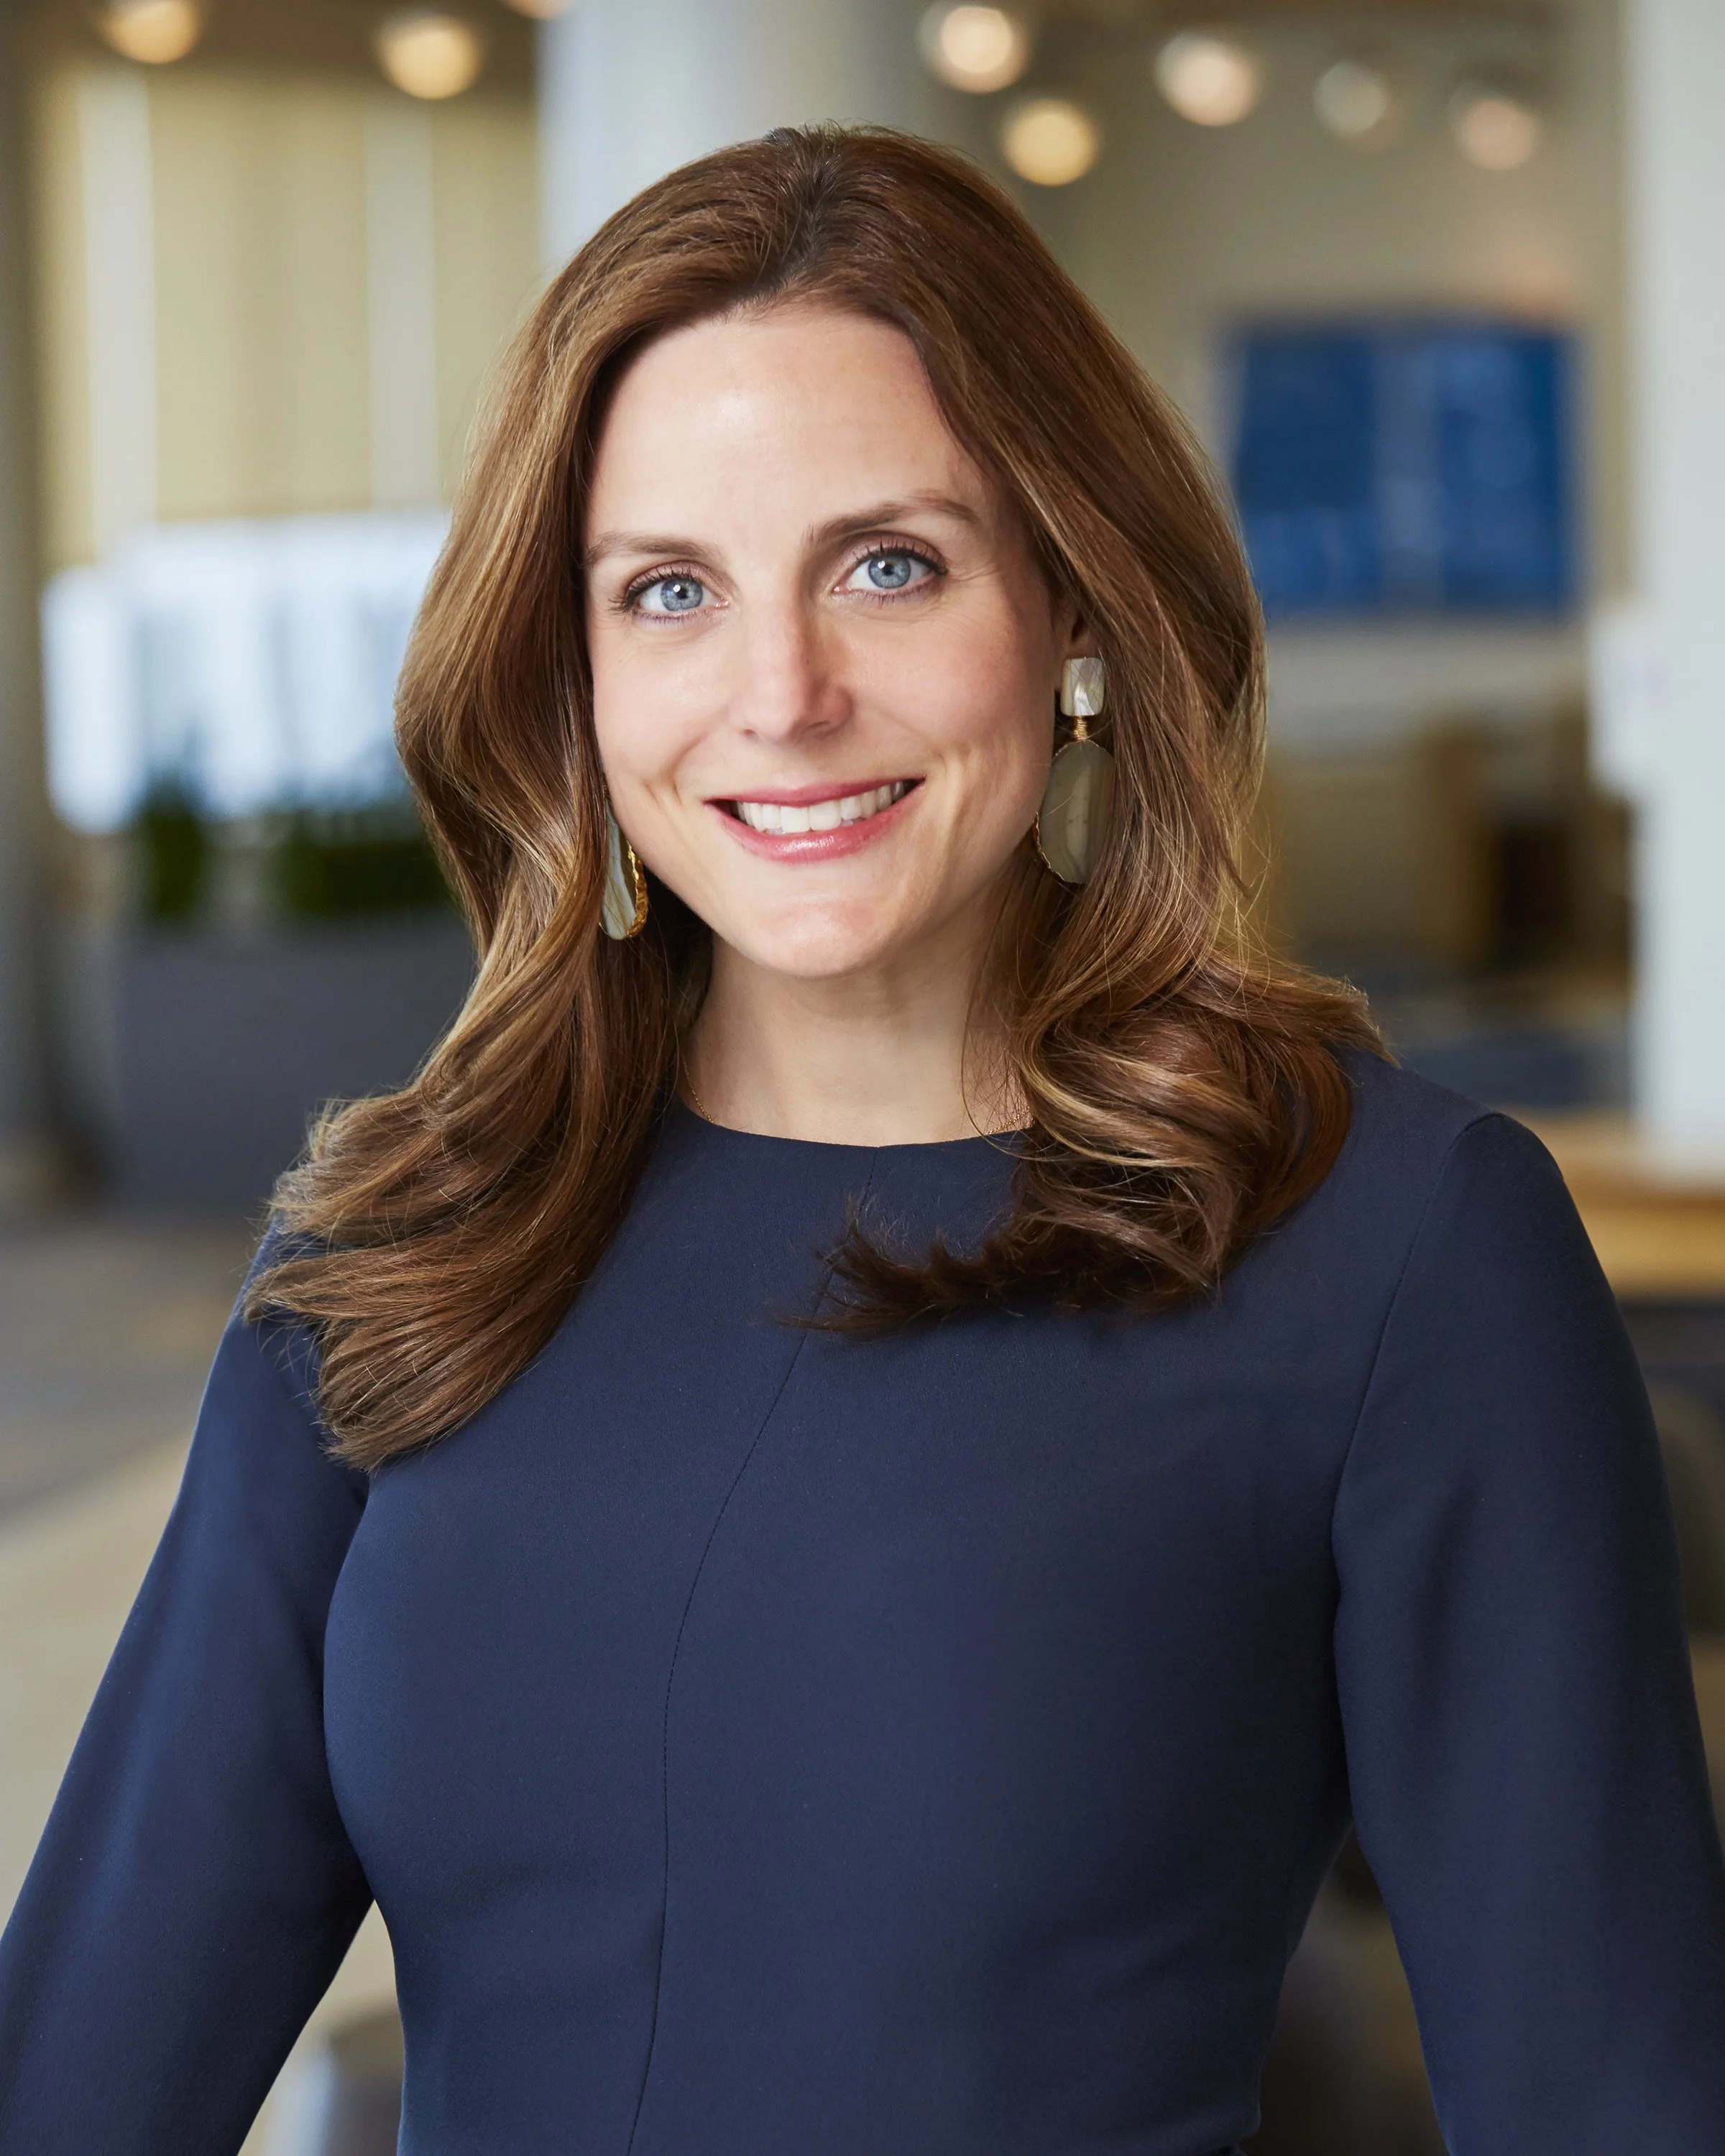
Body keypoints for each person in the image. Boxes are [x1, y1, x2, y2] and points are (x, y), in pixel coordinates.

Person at [1, 124, 1721, 2156]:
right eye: (667, 593)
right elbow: (80, 2080)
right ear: (575, 677)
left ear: (1072, 606)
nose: (782, 694)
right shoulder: (408, 1249)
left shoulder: (1385, 1246)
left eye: (887, 564)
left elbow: (1610, 2097)